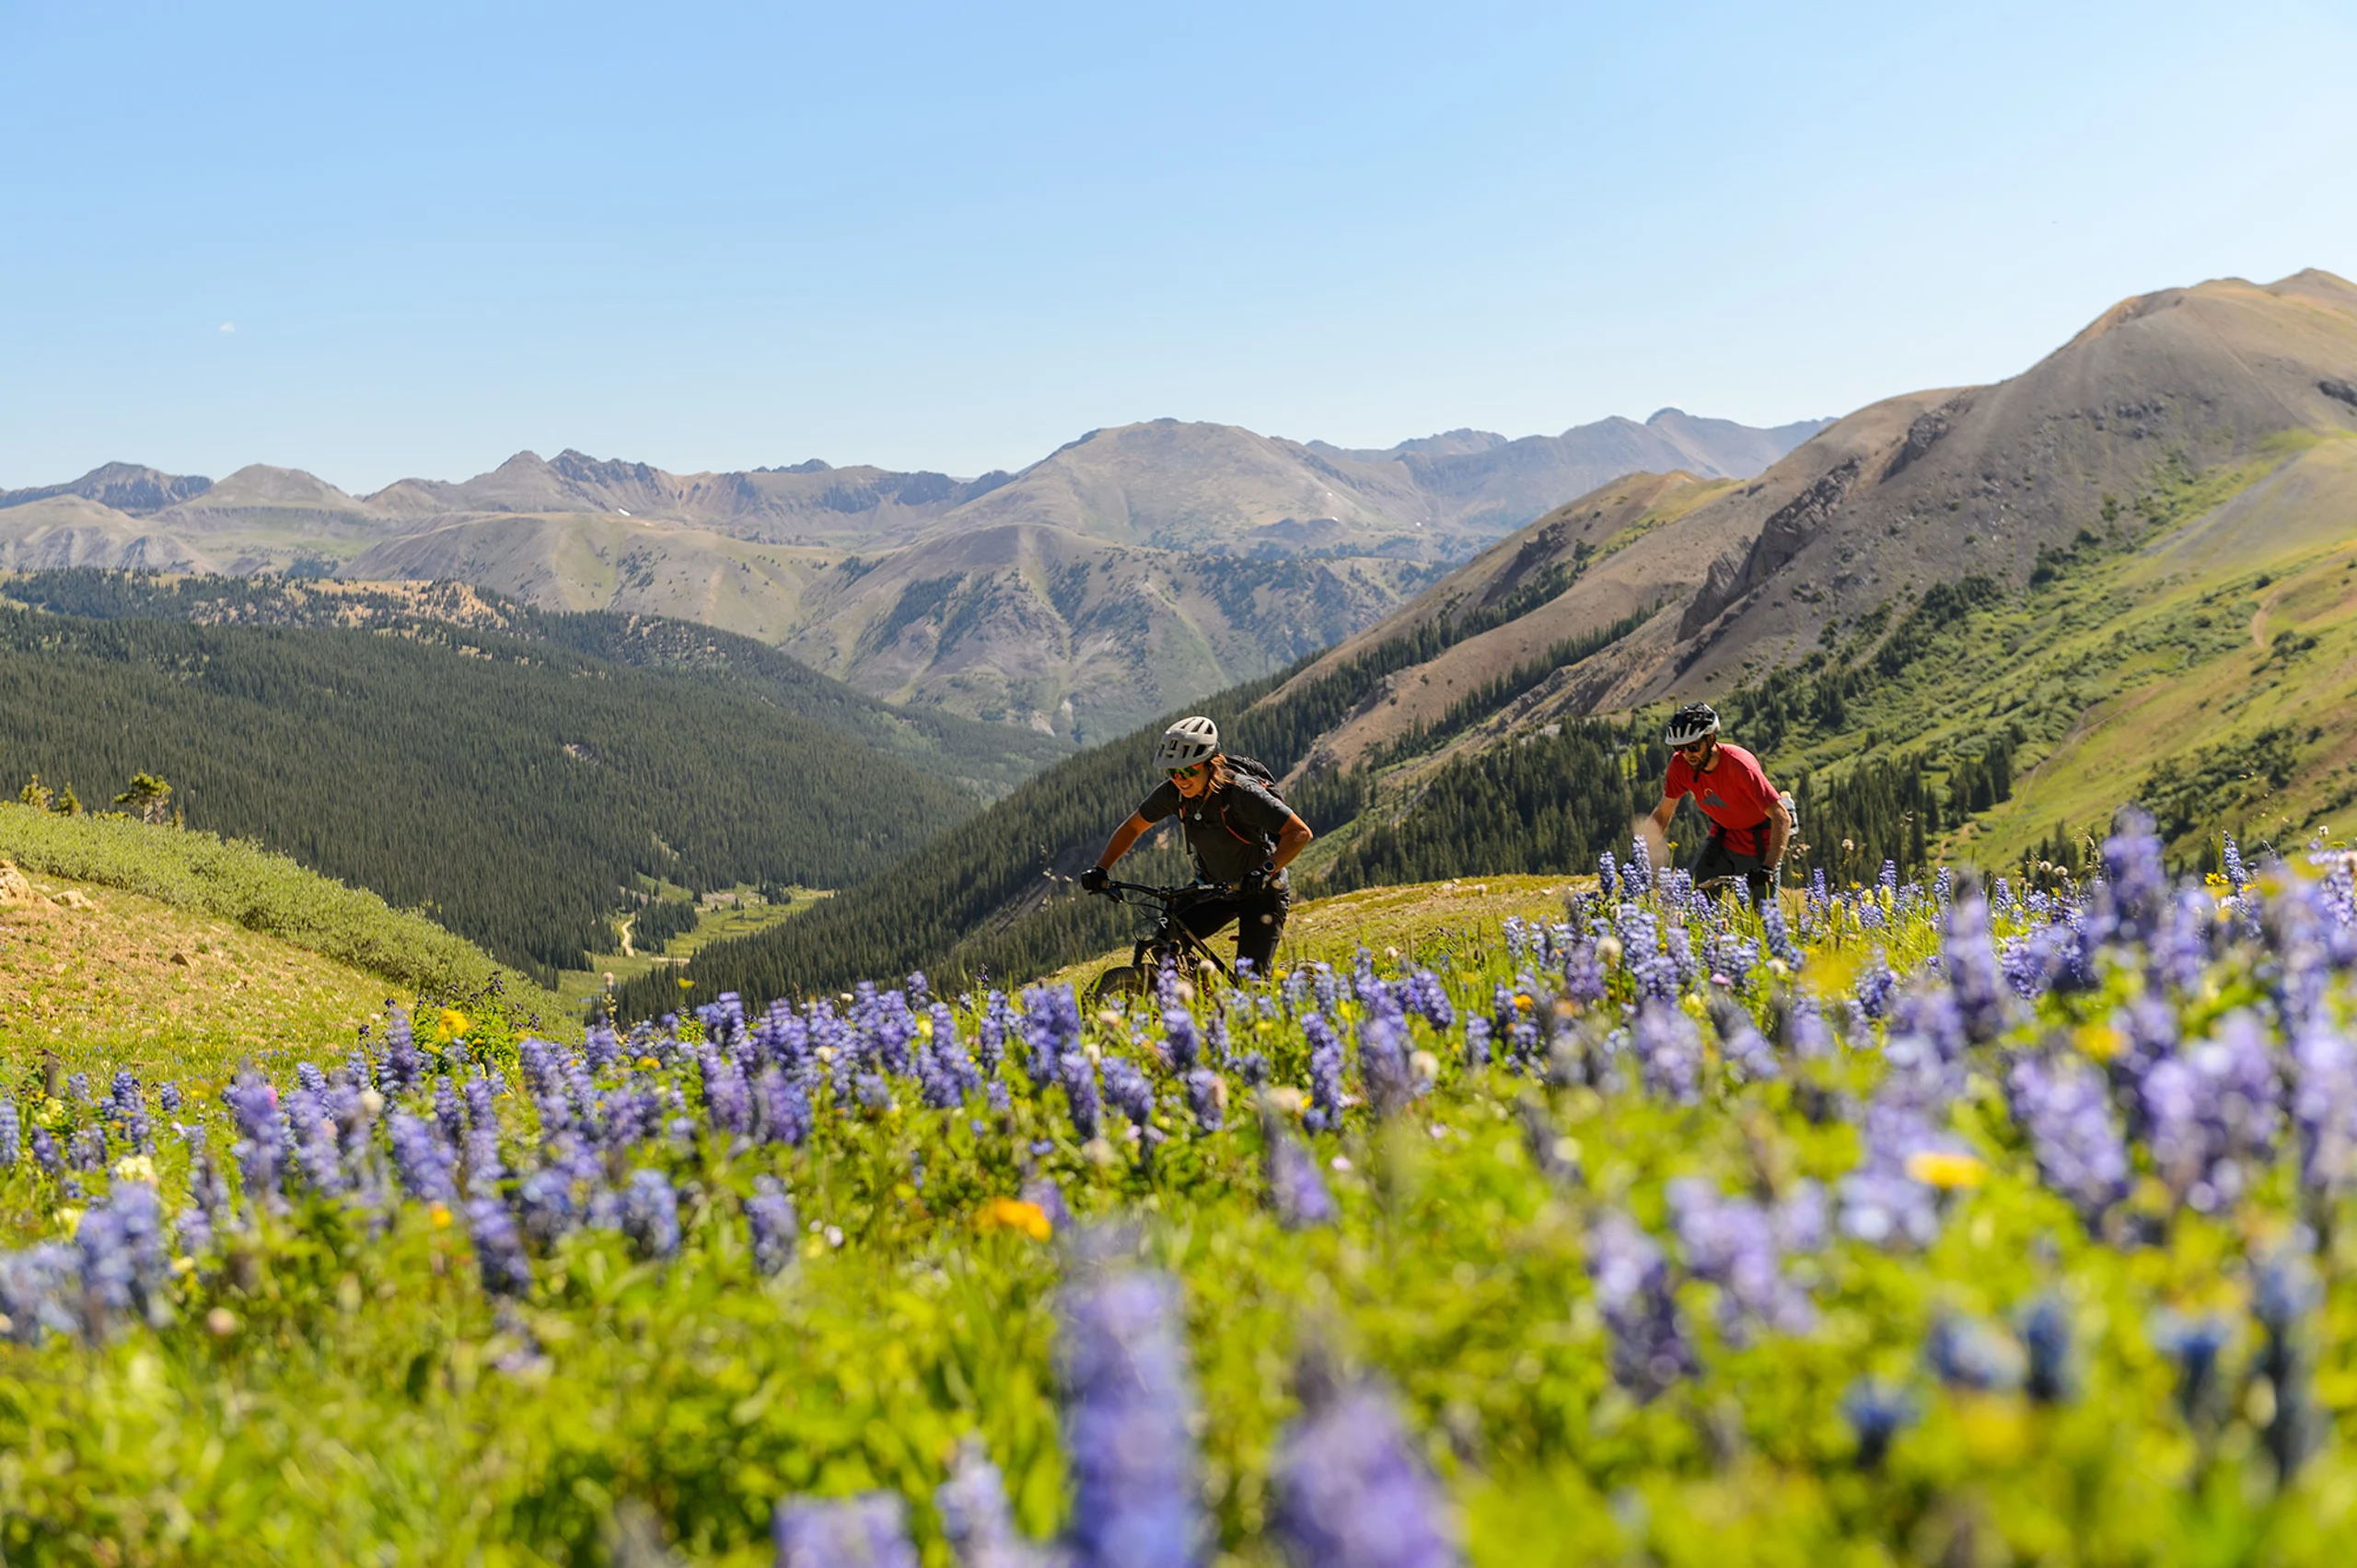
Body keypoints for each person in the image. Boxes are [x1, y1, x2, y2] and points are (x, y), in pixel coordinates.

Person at [1081, 715, 1313, 979]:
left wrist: (1265, 871)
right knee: (1165, 946)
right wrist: (1101, 869)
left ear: (1209, 764)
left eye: (1188, 770)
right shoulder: (1173, 794)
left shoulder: (1240, 792)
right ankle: (1196, 999)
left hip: (1261, 891)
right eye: (1173, 772)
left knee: (1250, 982)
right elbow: (1133, 827)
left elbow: (1299, 832)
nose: (1180, 779)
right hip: (1213, 888)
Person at [1647, 702, 1790, 906]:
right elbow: (1662, 814)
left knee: (1764, 918)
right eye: (1680, 748)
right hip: (1724, 837)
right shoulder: (1680, 765)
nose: (1687, 755)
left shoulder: (1740, 766)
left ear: (1711, 739)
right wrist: (1640, 854)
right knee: (1694, 899)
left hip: (1761, 843)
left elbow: (1781, 817)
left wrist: (1768, 867)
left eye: (1694, 747)